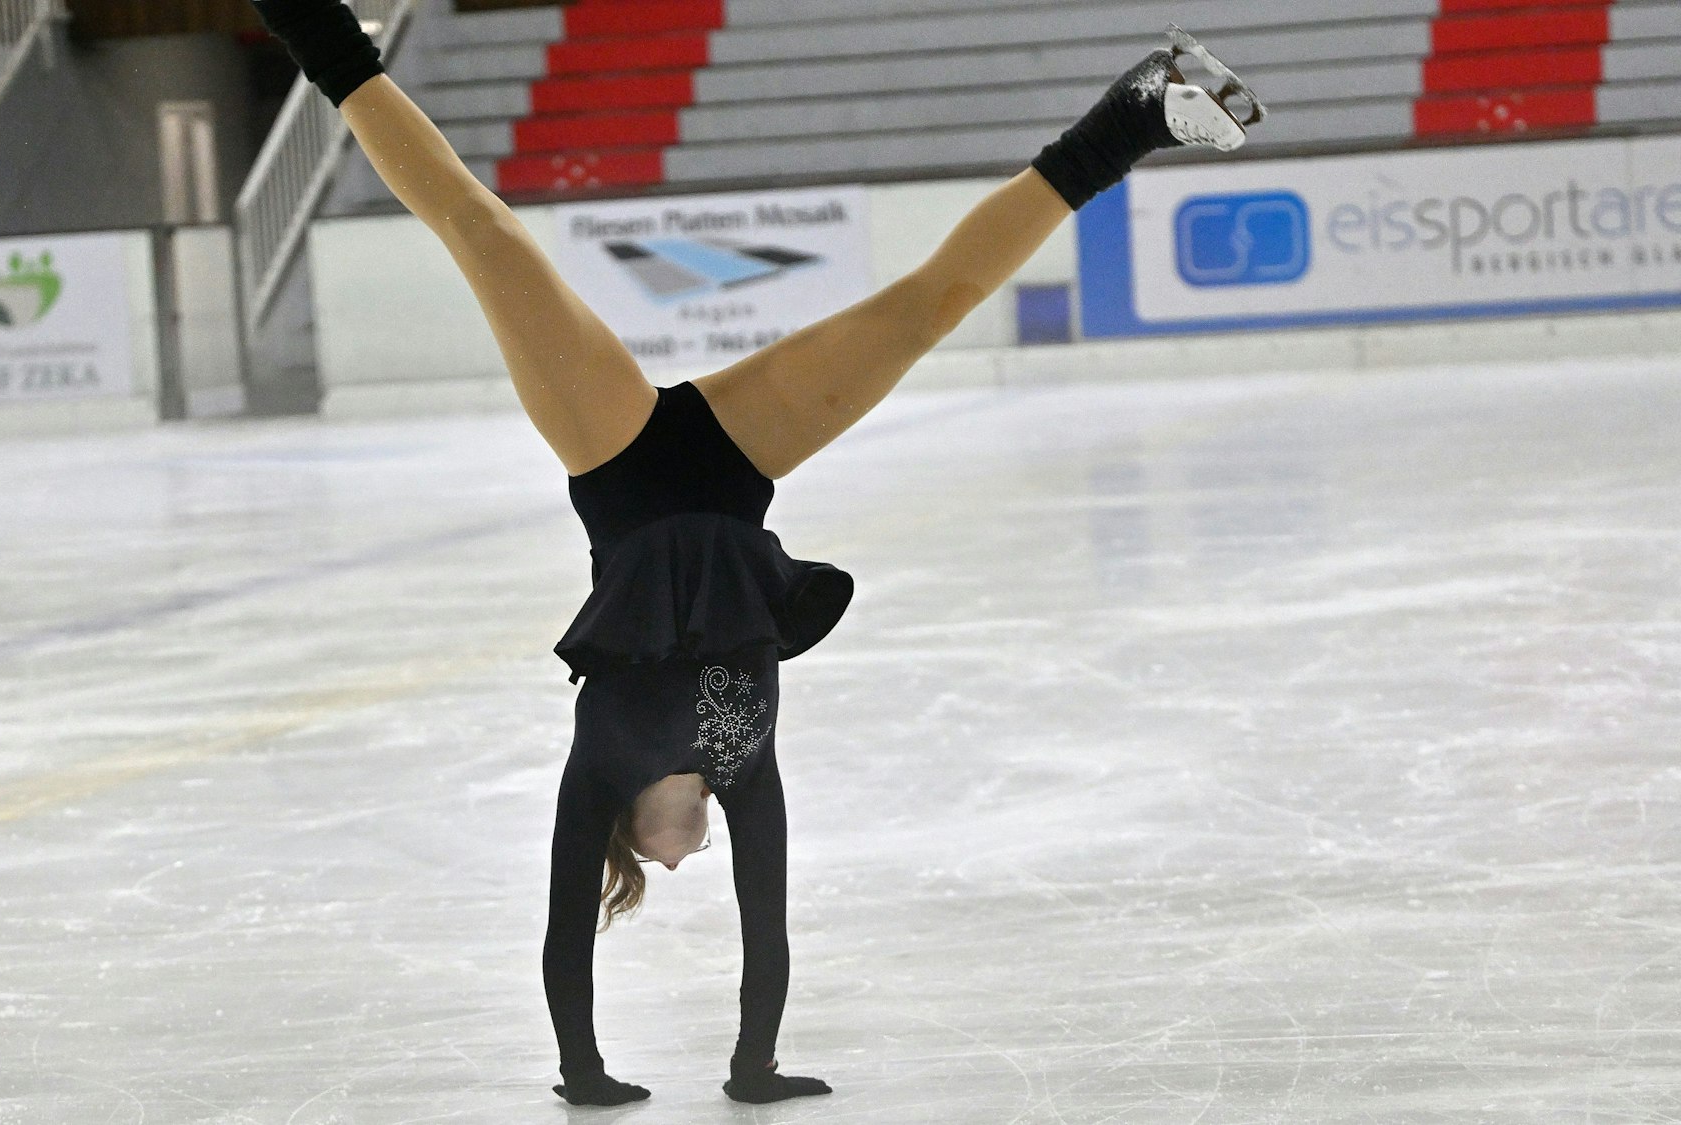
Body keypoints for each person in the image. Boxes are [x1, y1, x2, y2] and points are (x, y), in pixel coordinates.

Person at [246, 0, 1258, 1106]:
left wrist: (582, 1076)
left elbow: (560, 946)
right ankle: (1137, 113)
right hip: (735, 472)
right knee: (925, 309)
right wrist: (749, 1070)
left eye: (661, 866)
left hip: (615, 459)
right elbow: (765, 933)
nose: (686, 865)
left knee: (481, 233)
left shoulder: (599, 774)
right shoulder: (740, 773)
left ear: (631, 836)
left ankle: (305, 22)